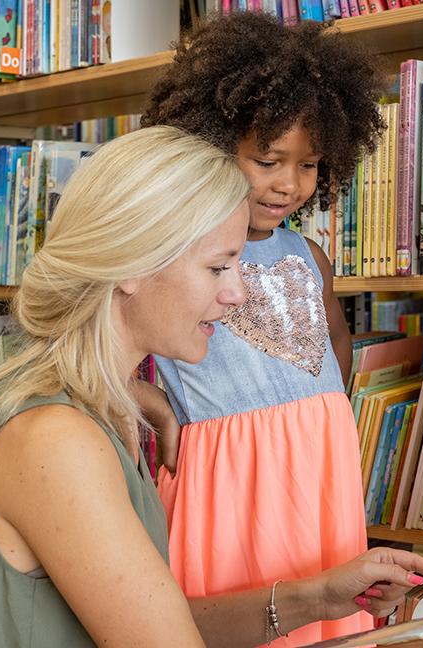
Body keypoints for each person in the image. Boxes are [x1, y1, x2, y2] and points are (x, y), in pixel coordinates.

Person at [0, 125, 423, 647]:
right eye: (217, 266)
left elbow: (161, 623)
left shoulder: (76, 410)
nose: (237, 294)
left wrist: (315, 597)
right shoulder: (58, 442)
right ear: (130, 264)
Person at [138, 13, 387, 642]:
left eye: (308, 166)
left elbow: (335, 339)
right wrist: (145, 399)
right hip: (224, 481)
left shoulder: (309, 255)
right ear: (211, 145)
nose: (287, 184)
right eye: (267, 159)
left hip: (318, 472)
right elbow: (75, 332)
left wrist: (323, 415)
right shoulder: (166, 249)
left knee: (326, 615)